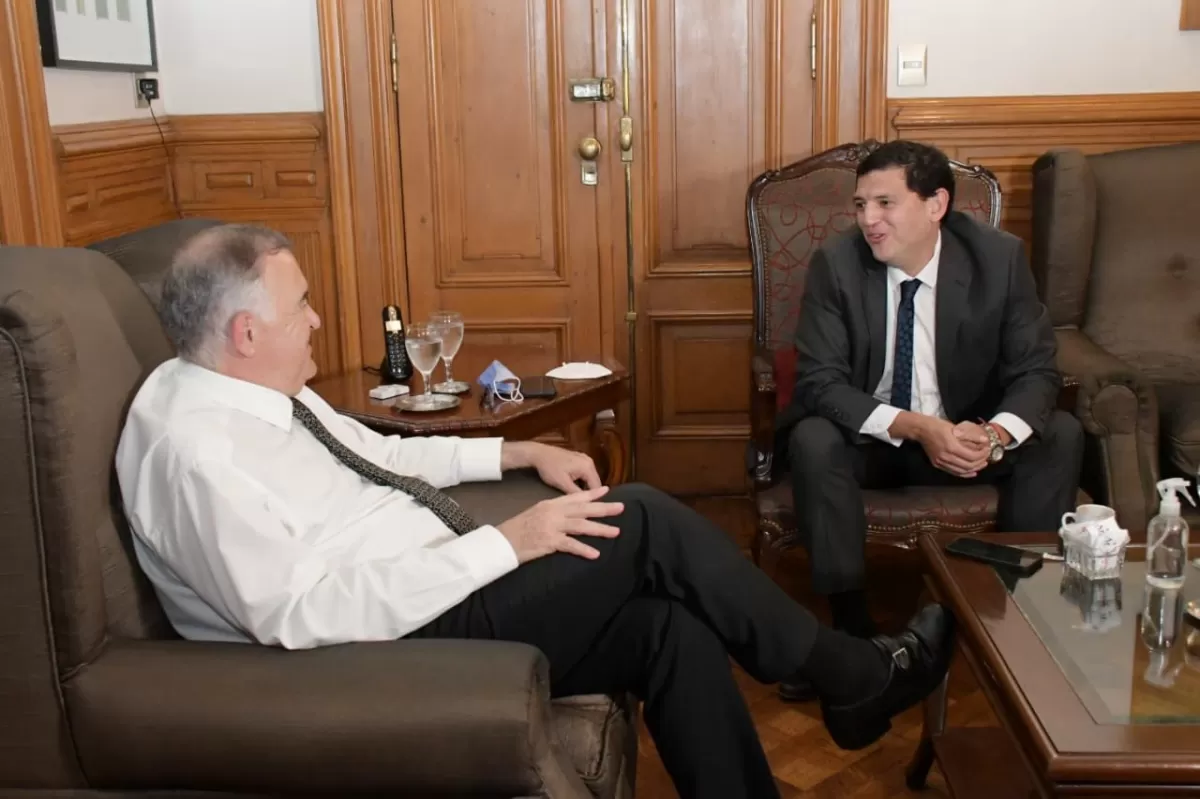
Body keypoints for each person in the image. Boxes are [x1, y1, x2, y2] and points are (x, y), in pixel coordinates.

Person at [115, 223, 954, 799]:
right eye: (299, 305)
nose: (318, 319)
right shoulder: (199, 455)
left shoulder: (255, 390)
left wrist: (517, 454)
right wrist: (507, 545)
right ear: (245, 332)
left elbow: (383, 452)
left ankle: (837, 695)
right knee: (645, 517)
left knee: (669, 626)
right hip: (382, 645)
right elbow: (302, 612)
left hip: (425, 587)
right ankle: (853, 675)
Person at [773, 141, 1082, 703]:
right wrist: (917, 427)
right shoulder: (838, 264)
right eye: (861, 204)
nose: (869, 219)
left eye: (886, 203)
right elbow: (821, 383)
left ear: (936, 204)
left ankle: (1010, 621)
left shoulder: (998, 258)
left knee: (1060, 433)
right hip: (877, 443)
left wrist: (993, 435)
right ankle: (852, 636)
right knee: (813, 438)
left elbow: (1037, 370)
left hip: (968, 441)